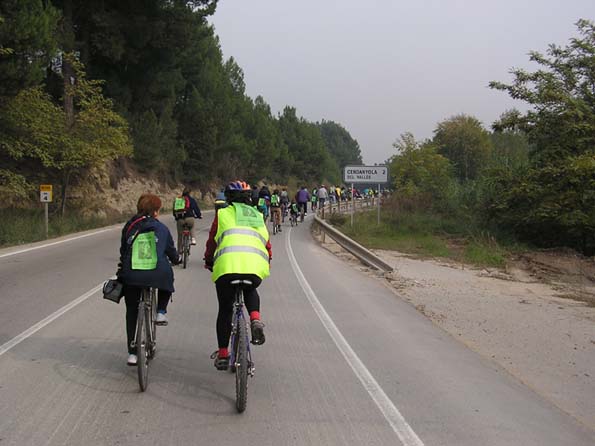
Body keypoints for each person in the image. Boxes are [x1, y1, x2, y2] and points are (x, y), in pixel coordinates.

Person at [204, 180, 272, 370]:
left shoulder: (223, 214)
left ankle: (224, 354)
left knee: (225, 309)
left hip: (227, 266)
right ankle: (255, 319)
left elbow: (212, 241)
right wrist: (268, 260)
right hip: (254, 266)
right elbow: (266, 243)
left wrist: (209, 260)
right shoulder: (258, 215)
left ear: (228, 198)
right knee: (250, 287)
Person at [118, 193, 180, 366]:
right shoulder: (161, 228)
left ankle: (132, 353)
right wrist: (177, 260)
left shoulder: (130, 225)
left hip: (133, 274)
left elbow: (124, 251)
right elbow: (171, 251)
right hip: (157, 273)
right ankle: (160, 311)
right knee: (168, 274)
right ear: (156, 211)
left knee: (131, 311)